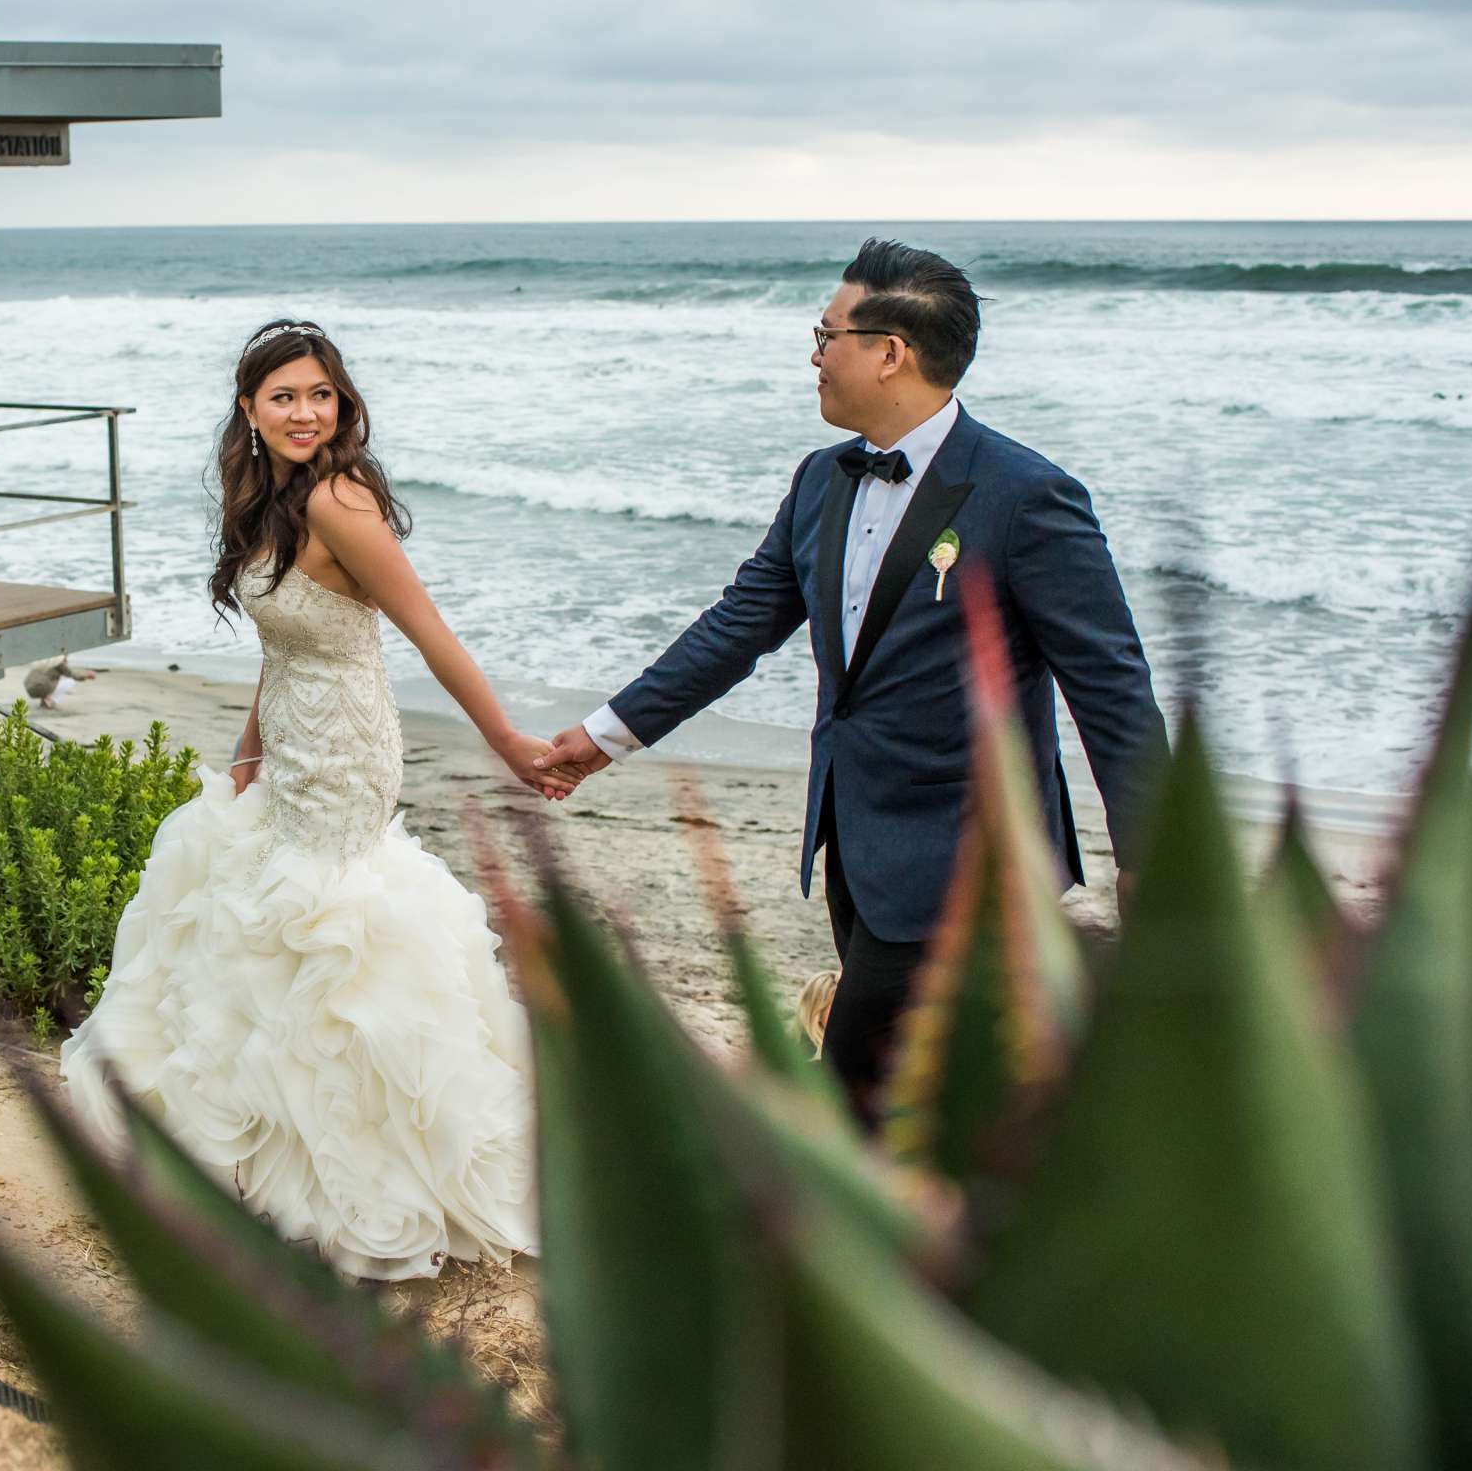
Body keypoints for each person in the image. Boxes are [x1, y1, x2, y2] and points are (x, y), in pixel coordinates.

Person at [538, 240, 1166, 1125]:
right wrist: (602, 737)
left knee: (857, 1101)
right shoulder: (821, 480)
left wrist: (1151, 856)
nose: (814, 354)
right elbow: (738, 626)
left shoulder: (1026, 496)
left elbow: (1111, 685)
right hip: (856, 844)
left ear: (889, 352)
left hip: (972, 858)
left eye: (826, 333)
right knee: (938, 1103)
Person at [60, 318, 550, 1280]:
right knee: (273, 925)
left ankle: (360, 1179)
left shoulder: (338, 498)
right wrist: (248, 749)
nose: (305, 411)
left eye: (320, 394)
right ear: (249, 408)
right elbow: (284, 647)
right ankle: (265, 1169)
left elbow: (427, 631)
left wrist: (506, 741)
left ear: (342, 405)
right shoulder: (276, 497)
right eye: (284, 395)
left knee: (330, 929)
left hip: (346, 749)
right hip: (289, 737)